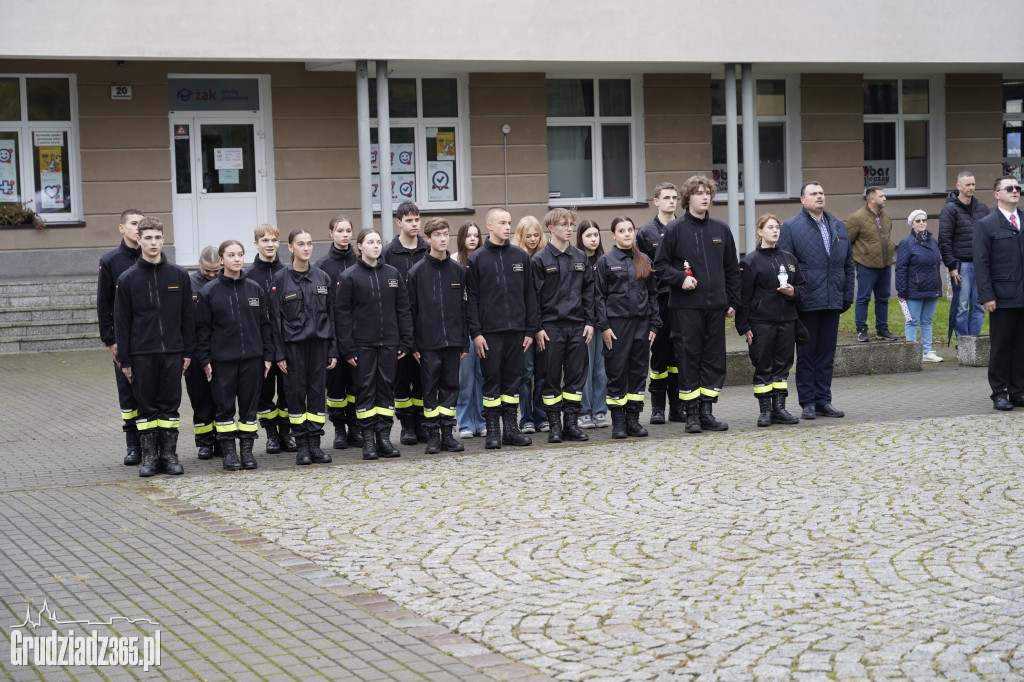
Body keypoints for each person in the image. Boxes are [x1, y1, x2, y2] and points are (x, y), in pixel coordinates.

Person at [654, 175, 740, 434]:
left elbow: (732, 269)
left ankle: (707, 412)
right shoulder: (674, 230)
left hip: (716, 307)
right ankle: (691, 414)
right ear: (687, 198)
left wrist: (732, 300)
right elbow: (660, 266)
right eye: (699, 193)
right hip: (686, 308)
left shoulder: (721, 229)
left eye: (708, 193)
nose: (705, 197)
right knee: (689, 359)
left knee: (714, 361)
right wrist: (680, 279)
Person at [113, 217, 194, 477]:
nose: (153, 242)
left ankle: (169, 456)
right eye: (147, 237)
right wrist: (125, 360)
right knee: (147, 406)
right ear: (138, 239)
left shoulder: (179, 275)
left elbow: (187, 317)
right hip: (141, 354)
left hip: (172, 352)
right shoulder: (128, 278)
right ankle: (149, 457)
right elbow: (121, 322)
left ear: (163, 238)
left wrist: (188, 351)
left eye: (157, 237)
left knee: (170, 405)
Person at [777, 181, 855, 420]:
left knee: (826, 354)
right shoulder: (791, 227)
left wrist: (847, 295)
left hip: (833, 300)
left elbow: (848, 265)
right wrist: (794, 296)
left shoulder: (838, 225)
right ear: (803, 200)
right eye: (813, 193)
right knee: (807, 354)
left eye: (821, 192)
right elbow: (786, 265)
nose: (819, 196)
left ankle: (824, 400)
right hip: (807, 300)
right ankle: (807, 402)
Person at [195, 240, 275, 470]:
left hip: (252, 359)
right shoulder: (208, 292)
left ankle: (247, 452)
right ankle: (229, 453)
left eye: (240, 254)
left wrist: (267, 355)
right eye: (231, 255)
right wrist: (205, 360)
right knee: (225, 409)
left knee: (250, 409)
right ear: (221, 260)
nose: (237, 259)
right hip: (222, 362)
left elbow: (264, 325)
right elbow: (202, 330)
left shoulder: (254, 289)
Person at [335, 229, 413, 459]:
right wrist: (347, 347)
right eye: (370, 242)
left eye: (379, 242)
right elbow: (342, 315)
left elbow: (403, 309)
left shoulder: (393, 274)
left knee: (386, 392)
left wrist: (406, 340)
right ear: (360, 246)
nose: (376, 246)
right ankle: (368, 441)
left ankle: (384, 439)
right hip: (362, 345)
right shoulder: (349, 277)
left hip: (389, 343)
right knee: (366, 392)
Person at [467, 207, 538, 449]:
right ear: (489, 226)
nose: (507, 227)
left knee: (513, 382)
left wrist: (529, 330)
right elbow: (472, 300)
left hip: (517, 331)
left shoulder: (520, 256)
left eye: (509, 223)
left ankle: (511, 430)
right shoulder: (476, 259)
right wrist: (476, 333)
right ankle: (493, 432)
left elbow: (530, 295)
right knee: (491, 381)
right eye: (502, 223)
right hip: (489, 334)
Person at [268, 229, 337, 465]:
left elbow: (331, 316)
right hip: (293, 348)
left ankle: (316, 445)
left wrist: (332, 350)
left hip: (319, 346)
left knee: (317, 396)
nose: (306, 248)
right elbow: (274, 321)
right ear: (290, 248)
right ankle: (302, 446)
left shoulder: (322, 278)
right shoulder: (279, 279)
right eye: (301, 244)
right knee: (296, 396)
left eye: (309, 243)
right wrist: (278, 354)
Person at [736, 214, 806, 427]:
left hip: (787, 321)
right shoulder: (750, 262)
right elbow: (742, 297)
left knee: (782, 366)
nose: (775, 231)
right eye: (770, 227)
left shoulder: (790, 259)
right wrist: (744, 325)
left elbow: (803, 288)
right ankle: (765, 410)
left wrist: (793, 292)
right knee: (764, 365)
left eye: (777, 227)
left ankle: (780, 408)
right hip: (761, 323)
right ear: (760, 231)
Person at [533, 208, 595, 443]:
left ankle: (571, 424)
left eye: (571, 224)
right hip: (550, 328)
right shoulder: (540, 259)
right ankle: (555, 426)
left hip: (578, 326)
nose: (569, 228)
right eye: (563, 224)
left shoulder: (580, 257)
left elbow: (590, 292)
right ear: (551, 228)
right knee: (550, 377)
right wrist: (537, 327)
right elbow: (533, 298)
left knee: (576, 378)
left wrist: (590, 322)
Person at [594, 216, 660, 439]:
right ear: (613, 235)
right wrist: (604, 327)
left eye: (630, 230)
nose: (627, 234)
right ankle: (618, 423)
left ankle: (633, 420)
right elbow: (599, 297)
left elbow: (653, 294)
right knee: (617, 373)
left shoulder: (644, 260)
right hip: (616, 326)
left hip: (642, 324)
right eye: (621, 231)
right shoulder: (605, 261)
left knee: (638, 373)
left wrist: (654, 324)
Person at [408, 218, 468, 454]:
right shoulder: (417, 272)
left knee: (451, 387)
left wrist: (464, 341)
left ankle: (447, 434)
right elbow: (410, 311)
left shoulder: (458, 271)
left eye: (446, 234)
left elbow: (464, 309)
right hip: (428, 343)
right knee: (429, 389)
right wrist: (413, 344)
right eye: (438, 235)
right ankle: (433, 434)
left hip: (453, 341)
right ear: (428, 239)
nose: (443, 239)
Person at [96, 208, 143, 465]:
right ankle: (133, 445)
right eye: (134, 223)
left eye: (142, 224)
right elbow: (104, 305)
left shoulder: (156, 257)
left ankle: (152, 444)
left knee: (152, 395)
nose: (138, 228)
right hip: (124, 341)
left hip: (151, 340)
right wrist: (111, 342)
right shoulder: (111, 260)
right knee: (128, 395)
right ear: (122, 228)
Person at [974, 175, 1024, 411]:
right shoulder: (987, 224)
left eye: (1017, 187)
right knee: (1001, 346)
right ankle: (999, 393)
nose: (1015, 191)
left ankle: (1018, 391)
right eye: (1009, 188)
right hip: (1002, 296)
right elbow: (981, 264)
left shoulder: (1023, 220)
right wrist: (987, 295)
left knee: (1021, 347)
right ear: (997, 194)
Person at [382, 200, 429, 445]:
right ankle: (407, 426)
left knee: (423, 379)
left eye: (417, 219)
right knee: (401, 380)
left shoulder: (427, 249)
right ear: (399, 222)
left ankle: (422, 424)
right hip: (398, 328)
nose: (414, 224)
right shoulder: (388, 253)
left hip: (424, 326)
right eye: (409, 220)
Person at [245, 223, 294, 454]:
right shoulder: (248, 276)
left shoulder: (288, 271)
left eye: (274, 240)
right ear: (256, 244)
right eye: (265, 240)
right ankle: (271, 435)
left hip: (286, 342)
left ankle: (286, 433)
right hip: (261, 345)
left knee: (287, 391)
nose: (270, 245)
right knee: (264, 393)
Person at [636, 182, 682, 424]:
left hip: (682, 300)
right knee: (660, 356)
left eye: (674, 197)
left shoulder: (685, 228)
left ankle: (677, 408)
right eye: (666, 197)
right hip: (659, 301)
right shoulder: (645, 234)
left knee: (678, 357)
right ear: (656, 202)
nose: (671, 201)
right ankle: (657, 408)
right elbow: (645, 273)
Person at [314, 214, 361, 450]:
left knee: (356, 386)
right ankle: (339, 430)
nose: (345, 235)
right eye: (340, 230)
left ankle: (355, 428)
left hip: (357, 334)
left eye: (348, 230)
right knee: (335, 387)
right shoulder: (322, 266)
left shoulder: (360, 260)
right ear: (331, 233)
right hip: (332, 335)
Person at [938, 170, 990, 340]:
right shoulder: (949, 209)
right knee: (961, 306)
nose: (971, 187)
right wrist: (951, 266)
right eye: (967, 184)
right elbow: (944, 240)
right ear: (958, 186)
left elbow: (989, 235)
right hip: (961, 265)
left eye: (973, 184)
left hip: (981, 265)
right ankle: (962, 343)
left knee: (978, 305)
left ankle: (974, 344)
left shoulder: (981, 207)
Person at [511, 215, 549, 433]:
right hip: (524, 326)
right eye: (528, 236)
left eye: (536, 235)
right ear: (521, 236)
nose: (533, 239)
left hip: (545, 324)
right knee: (525, 373)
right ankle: (525, 418)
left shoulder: (545, 257)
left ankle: (541, 415)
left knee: (542, 373)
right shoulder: (516, 258)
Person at [184, 246, 221, 461]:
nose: (213, 275)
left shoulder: (224, 282)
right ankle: (205, 443)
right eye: (208, 271)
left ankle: (221, 440)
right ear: (199, 263)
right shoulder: (188, 284)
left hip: (220, 351)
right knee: (200, 400)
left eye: (217, 271)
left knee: (221, 399)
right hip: (197, 351)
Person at [846, 186, 897, 342]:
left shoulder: (887, 216)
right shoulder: (856, 218)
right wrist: (856, 259)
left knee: (883, 298)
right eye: (881, 196)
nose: (885, 198)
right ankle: (862, 330)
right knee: (863, 298)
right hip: (866, 265)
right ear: (872, 199)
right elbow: (847, 241)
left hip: (885, 264)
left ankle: (882, 329)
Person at [896, 211, 944, 363]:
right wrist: (902, 290)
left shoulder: (932, 241)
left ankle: (927, 351)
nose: (922, 223)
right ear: (912, 224)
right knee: (912, 321)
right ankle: (912, 353)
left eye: (924, 220)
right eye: (918, 221)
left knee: (927, 321)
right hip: (914, 289)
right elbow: (901, 268)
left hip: (931, 288)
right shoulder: (907, 243)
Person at [454, 221, 487, 439]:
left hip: (483, 327)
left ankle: (482, 421)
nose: (473, 239)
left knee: (482, 377)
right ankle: (465, 422)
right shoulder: (454, 262)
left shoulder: (485, 259)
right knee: (465, 379)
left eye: (476, 235)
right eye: (468, 236)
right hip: (462, 328)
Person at [577, 219, 608, 429]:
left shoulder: (605, 261)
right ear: (580, 238)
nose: (593, 239)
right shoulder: (576, 261)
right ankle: (584, 411)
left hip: (603, 324)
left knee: (601, 369)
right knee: (584, 370)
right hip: (583, 324)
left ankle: (599, 411)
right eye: (588, 235)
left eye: (596, 234)